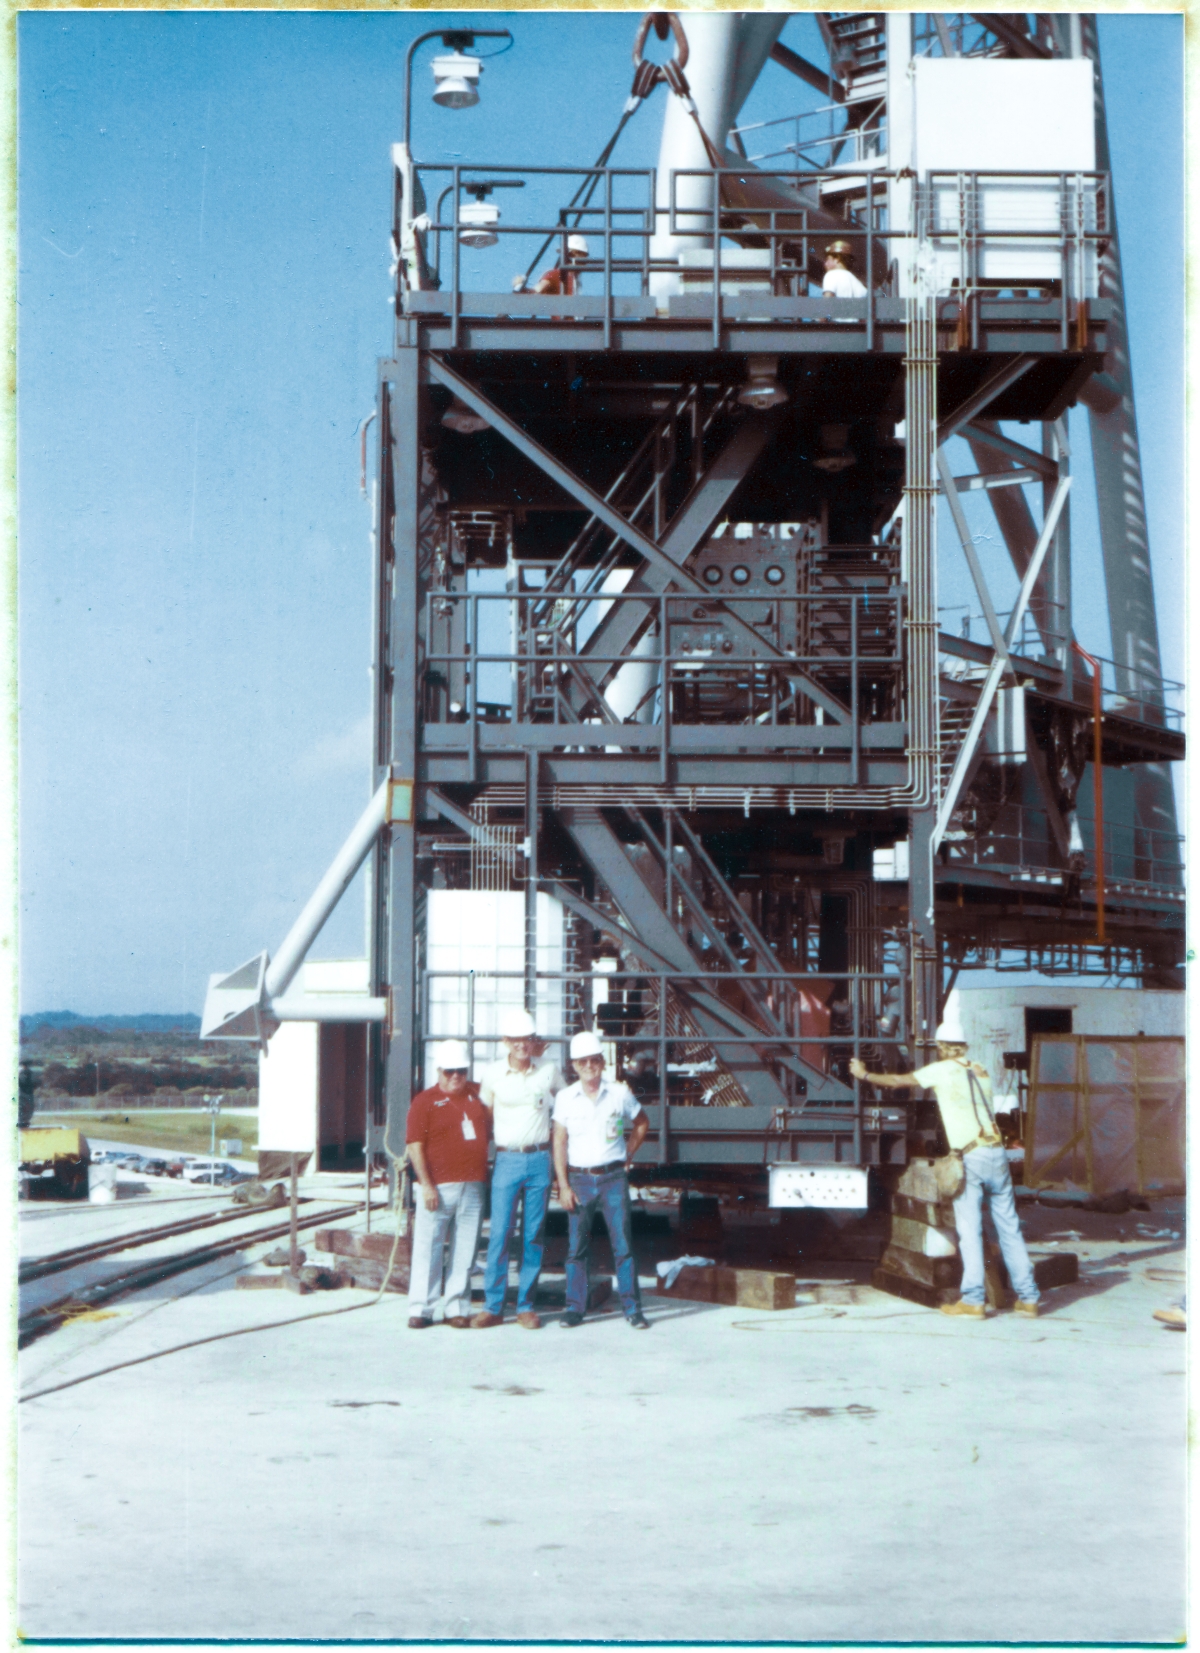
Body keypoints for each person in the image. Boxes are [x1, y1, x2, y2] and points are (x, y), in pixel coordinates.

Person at [850, 1002, 1040, 1320]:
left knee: (970, 1230)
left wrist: (864, 1073)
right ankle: (1029, 1298)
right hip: (997, 1153)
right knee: (1010, 1229)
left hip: (971, 1156)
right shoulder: (980, 1070)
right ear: (963, 1045)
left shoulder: (940, 1070)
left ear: (940, 1047)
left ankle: (974, 1300)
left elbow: (899, 1082)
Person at [552, 1029, 650, 1330]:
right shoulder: (566, 1098)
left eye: (594, 1060)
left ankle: (633, 1309)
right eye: (582, 1062)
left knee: (623, 1245)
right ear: (574, 1066)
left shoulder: (619, 1093)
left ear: (602, 1062)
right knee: (576, 1248)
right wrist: (564, 1185)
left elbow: (642, 1122)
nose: (589, 1066)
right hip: (580, 1180)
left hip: (612, 1178)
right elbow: (559, 1142)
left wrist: (628, 1154)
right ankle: (574, 1308)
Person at [471, 1008, 563, 1330]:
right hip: (507, 1160)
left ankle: (525, 1305)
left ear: (533, 1041)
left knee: (533, 1235)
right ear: (506, 1041)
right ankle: (494, 1306)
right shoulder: (493, 1074)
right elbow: (483, 1120)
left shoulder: (549, 1070)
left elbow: (565, 1107)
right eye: (516, 1040)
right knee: (499, 1234)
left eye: (528, 1039)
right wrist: (481, 1160)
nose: (522, 1045)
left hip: (540, 1160)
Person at [405, 1040, 491, 1330]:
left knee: (465, 1251)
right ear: (439, 1070)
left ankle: (456, 1307)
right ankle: (422, 1308)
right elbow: (415, 1146)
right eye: (450, 1071)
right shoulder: (424, 1102)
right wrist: (426, 1185)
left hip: (473, 1186)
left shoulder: (479, 1095)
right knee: (428, 1248)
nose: (456, 1076)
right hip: (438, 1188)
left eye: (461, 1071)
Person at [514, 233, 589, 297]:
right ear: (571, 255)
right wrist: (519, 287)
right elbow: (535, 292)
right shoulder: (555, 275)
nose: (584, 261)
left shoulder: (576, 280)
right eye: (583, 256)